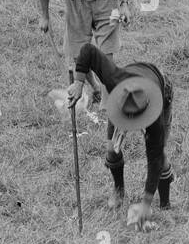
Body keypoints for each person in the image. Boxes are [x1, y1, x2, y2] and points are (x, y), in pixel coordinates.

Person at [66, 43, 174, 222]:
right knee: (111, 149)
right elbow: (87, 50)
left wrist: (145, 204)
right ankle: (119, 190)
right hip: (126, 91)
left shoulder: (155, 117)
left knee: (160, 154)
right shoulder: (113, 78)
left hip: (160, 86)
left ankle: (165, 203)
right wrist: (78, 83)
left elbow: (154, 159)